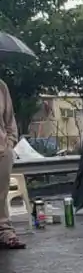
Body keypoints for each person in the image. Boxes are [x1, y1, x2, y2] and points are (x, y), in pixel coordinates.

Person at [0, 75, 25, 249]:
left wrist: (9, 143)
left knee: (1, 194)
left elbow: (10, 120)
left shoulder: (1, 86)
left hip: (2, 150)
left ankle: (5, 231)